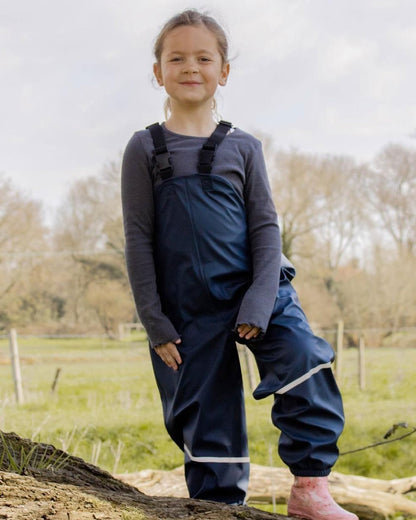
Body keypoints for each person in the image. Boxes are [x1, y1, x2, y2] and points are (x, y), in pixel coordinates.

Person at [121, 9, 358, 520]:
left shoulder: (244, 146)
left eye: (204, 57)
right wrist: (154, 320)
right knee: (205, 414)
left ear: (223, 71)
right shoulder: (144, 148)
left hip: (259, 287)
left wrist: (259, 299)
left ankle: (311, 489)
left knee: (303, 360)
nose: (191, 66)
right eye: (176, 57)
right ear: (158, 72)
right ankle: (218, 508)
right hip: (185, 310)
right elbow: (137, 238)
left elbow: (266, 229)